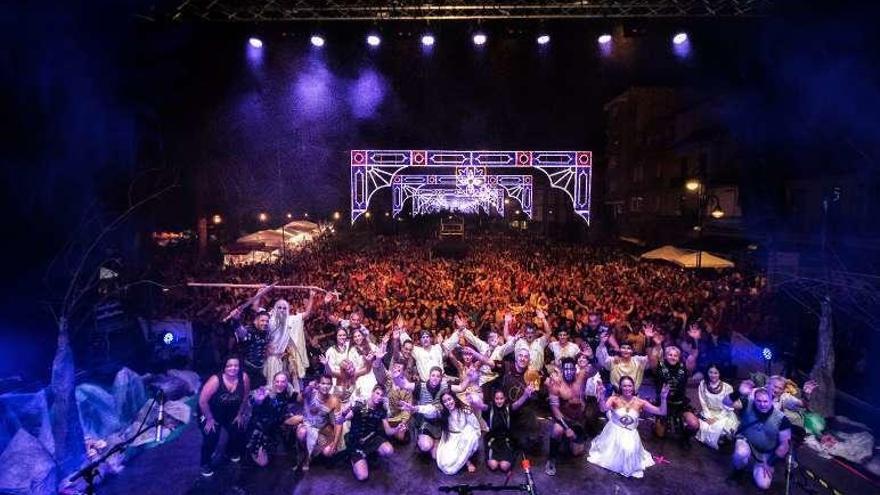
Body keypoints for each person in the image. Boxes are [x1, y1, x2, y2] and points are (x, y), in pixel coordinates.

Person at [587, 376, 669, 479]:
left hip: (631, 434)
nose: (627, 388)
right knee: (620, 453)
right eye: (624, 386)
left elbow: (662, 411)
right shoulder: (614, 399)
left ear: (633, 387)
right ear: (620, 387)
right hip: (614, 432)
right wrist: (602, 396)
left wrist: (663, 398)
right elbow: (603, 409)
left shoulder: (640, 402)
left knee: (629, 452)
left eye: (629, 386)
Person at [725, 383, 792, 490]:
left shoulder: (782, 419)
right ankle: (739, 471)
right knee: (741, 453)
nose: (762, 404)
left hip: (765, 453)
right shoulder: (748, 403)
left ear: (771, 401)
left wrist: (770, 463)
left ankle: (755, 464)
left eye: (765, 401)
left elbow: (785, 445)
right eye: (759, 401)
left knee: (763, 485)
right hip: (746, 440)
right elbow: (727, 402)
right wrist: (739, 391)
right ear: (754, 400)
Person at [404, 390, 487, 474]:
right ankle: (459, 457)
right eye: (445, 401)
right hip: (451, 437)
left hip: (464, 437)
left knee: (469, 436)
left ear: (454, 399)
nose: (448, 403)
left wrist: (473, 438)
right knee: (445, 464)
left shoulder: (464, 409)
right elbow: (431, 409)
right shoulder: (443, 412)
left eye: (449, 399)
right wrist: (415, 408)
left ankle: (467, 461)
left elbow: (474, 425)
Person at [197, 356, 251, 477]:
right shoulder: (215, 380)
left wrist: (240, 414)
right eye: (229, 365)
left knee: (238, 429)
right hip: (210, 412)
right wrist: (209, 418)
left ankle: (229, 451)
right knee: (211, 435)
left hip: (231, 411)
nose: (233, 368)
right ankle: (205, 462)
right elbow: (202, 402)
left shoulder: (244, 378)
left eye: (236, 365)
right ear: (224, 367)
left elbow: (245, 396)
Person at [340, 384, 406, 481]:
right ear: (372, 393)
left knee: (389, 450)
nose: (379, 397)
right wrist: (343, 413)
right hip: (357, 442)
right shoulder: (361, 405)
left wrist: (397, 429)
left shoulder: (382, 410)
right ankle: (354, 459)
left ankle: (370, 454)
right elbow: (346, 417)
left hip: (372, 438)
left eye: (381, 395)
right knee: (363, 476)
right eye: (377, 393)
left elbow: (388, 431)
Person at [544, 357, 590, 476]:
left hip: (578, 421)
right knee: (557, 430)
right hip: (563, 419)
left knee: (576, 453)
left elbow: (595, 369)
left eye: (571, 369)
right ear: (562, 370)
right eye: (566, 369)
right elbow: (555, 410)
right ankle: (551, 459)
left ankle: (569, 439)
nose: (569, 372)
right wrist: (566, 427)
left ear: (575, 369)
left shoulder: (581, 376)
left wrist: (587, 360)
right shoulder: (556, 384)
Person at [245, 371, 301, 467]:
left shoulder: (287, 391)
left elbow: (297, 399)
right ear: (273, 381)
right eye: (277, 381)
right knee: (263, 463)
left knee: (298, 421)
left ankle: (292, 453)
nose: (280, 384)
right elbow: (254, 401)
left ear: (287, 382)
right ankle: (251, 451)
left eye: (283, 381)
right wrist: (259, 400)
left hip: (273, 427)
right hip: (259, 430)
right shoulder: (266, 391)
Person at [296, 375, 342, 471]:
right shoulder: (311, 392)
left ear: (331, 386)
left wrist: (335, 442)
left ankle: (316, 454)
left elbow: (339, 422)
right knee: (302, 433)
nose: (325, 386)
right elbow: (299, 399)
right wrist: (308, 387)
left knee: (329, 452)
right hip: (307, 425)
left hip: (322, 429)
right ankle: (306, 455)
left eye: (328, 384)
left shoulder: (334, 400)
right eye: (323, 383)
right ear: (318, 384)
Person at [483, 388, 532, 473]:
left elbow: (518, 403)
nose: (499, 401)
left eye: (501, 398)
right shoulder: (490, 408)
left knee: (504, 467)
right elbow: (481, 405)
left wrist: (526, 394)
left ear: (505, 398)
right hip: (493, 441)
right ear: (494, 399)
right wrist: (473, 401)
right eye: (497, 399)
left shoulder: (508, 408)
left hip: (506, 441)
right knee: (493, 466)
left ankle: (510, 456)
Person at [695, 364, 738, 450]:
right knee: (705, 426)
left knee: (721, 427)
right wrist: (708, 416)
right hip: (708, 412)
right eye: (710, 372)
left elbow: (728, 406)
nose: (713, 375)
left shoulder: (727, 387)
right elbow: (703, 402)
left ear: (720, 374)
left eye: (715, 373)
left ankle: (723, 442)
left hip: (724, 413)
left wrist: (717, 418)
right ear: (707, 373)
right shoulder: (703, 384)